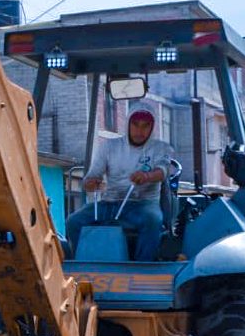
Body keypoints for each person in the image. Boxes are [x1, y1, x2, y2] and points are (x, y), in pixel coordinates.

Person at [66, 105, 176, 261]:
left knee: (153, 220)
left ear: (152, 127)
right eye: (135, 125)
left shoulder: (161, 148)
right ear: (128, 124)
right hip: (109, 203)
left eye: (145, 126)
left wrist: (147, 176)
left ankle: (143, 267)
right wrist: (91, 183)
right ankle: (83, 263)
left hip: (143, 204)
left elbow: (162, 171)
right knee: (73, 221)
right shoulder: (109, 147)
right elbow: (90, 178)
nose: (140, 131)